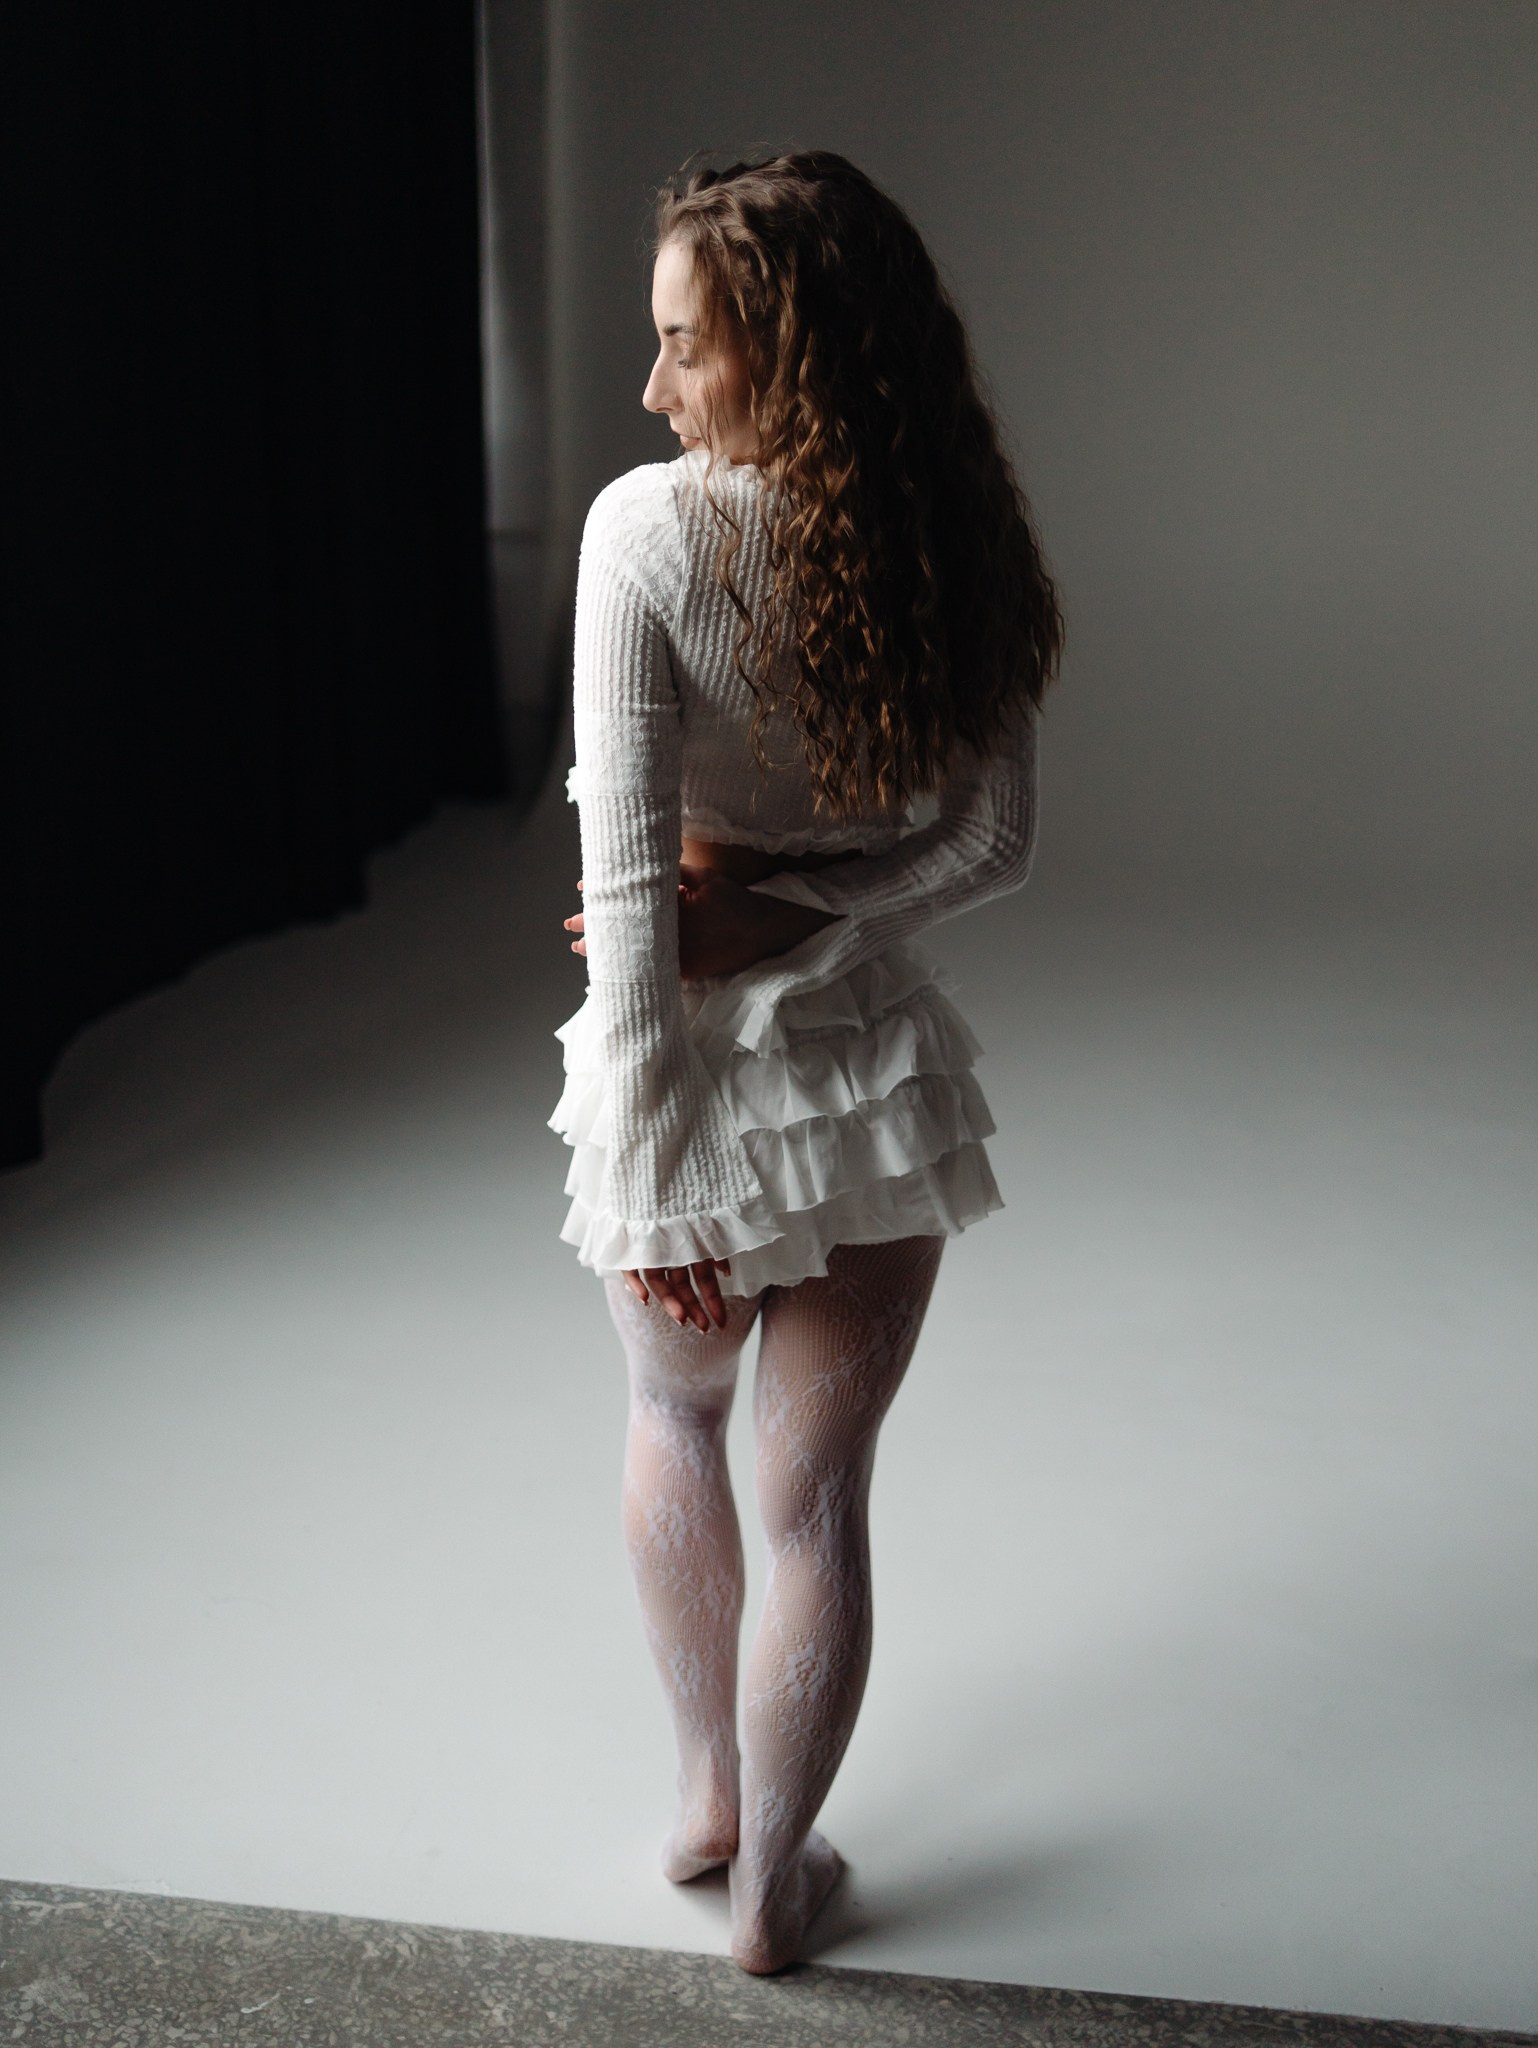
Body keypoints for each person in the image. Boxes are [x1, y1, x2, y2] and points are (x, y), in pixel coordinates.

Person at [547, 148, 1064, 1975]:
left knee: (672, 1423)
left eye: (684, 346)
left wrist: (652, 1171)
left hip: (679, 1071)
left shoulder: (646, 536)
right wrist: (808, 917)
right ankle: (775, 1884)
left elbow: (629, 895)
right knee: (817, 1504)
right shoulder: (957, 539)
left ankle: (708, 1798)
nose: (649, 389)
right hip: (867, 1074)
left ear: (789, 352)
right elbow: (987, 845)